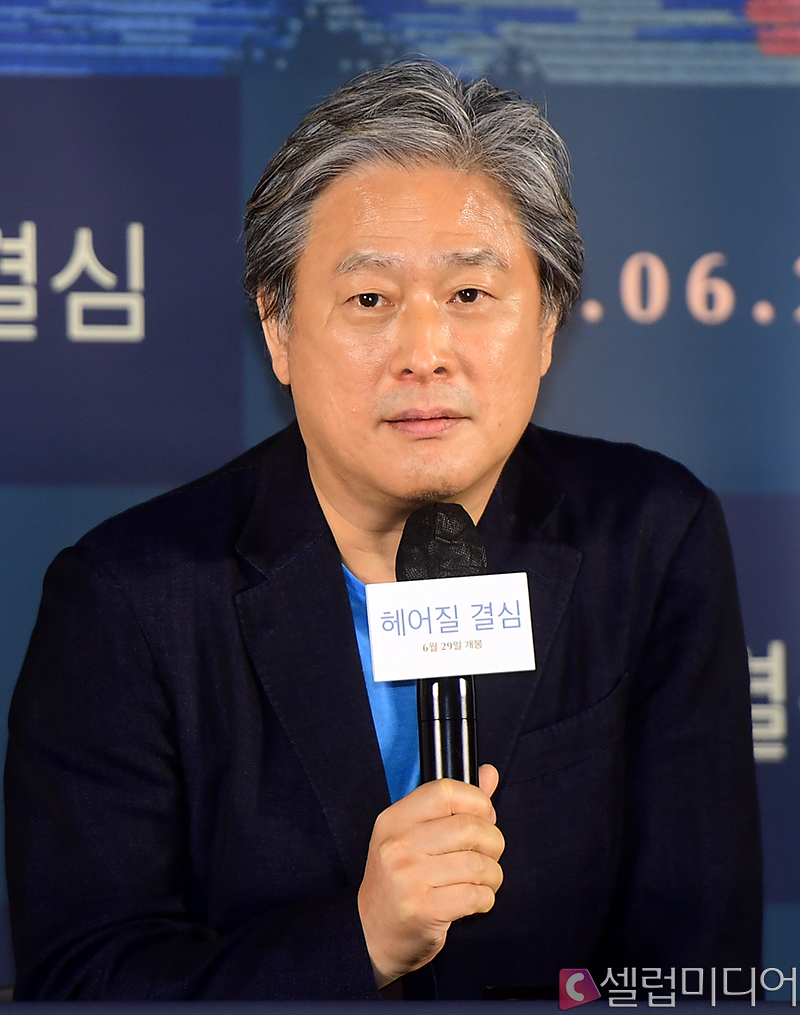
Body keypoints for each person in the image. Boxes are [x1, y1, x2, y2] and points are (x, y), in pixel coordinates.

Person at [5, 59, 760, 1000]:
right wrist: (356, 940)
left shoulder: (650, 539)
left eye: (470, 296)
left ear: (548, 323)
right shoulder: (131, 599)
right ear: (278, 327)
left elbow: (697, 969)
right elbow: (81, 981)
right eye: (370, 300)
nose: (424, 354)